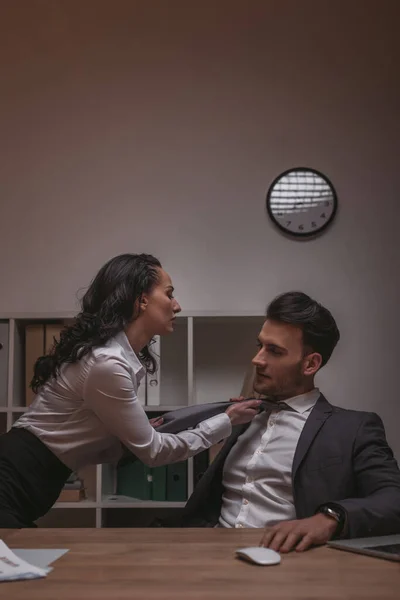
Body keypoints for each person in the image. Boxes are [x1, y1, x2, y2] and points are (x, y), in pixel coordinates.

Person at [0, 253, 260, 528]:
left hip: (30, 477)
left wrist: (135, 437)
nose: (177, 305)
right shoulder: (107, 363)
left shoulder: (113, 359)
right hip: (14, 476)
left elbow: (85, 441)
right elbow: (154, 453)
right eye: (169, 294)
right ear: (141, 300)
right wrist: (227, 421)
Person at [173, 291, 400, 552]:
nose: (257, 359)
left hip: (285, 562)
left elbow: (394, 500)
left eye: (274, 351)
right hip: (206, 552)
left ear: (310, 364)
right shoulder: (242, 415)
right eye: (260, 345)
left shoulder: (354, 429)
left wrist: (329, 518)